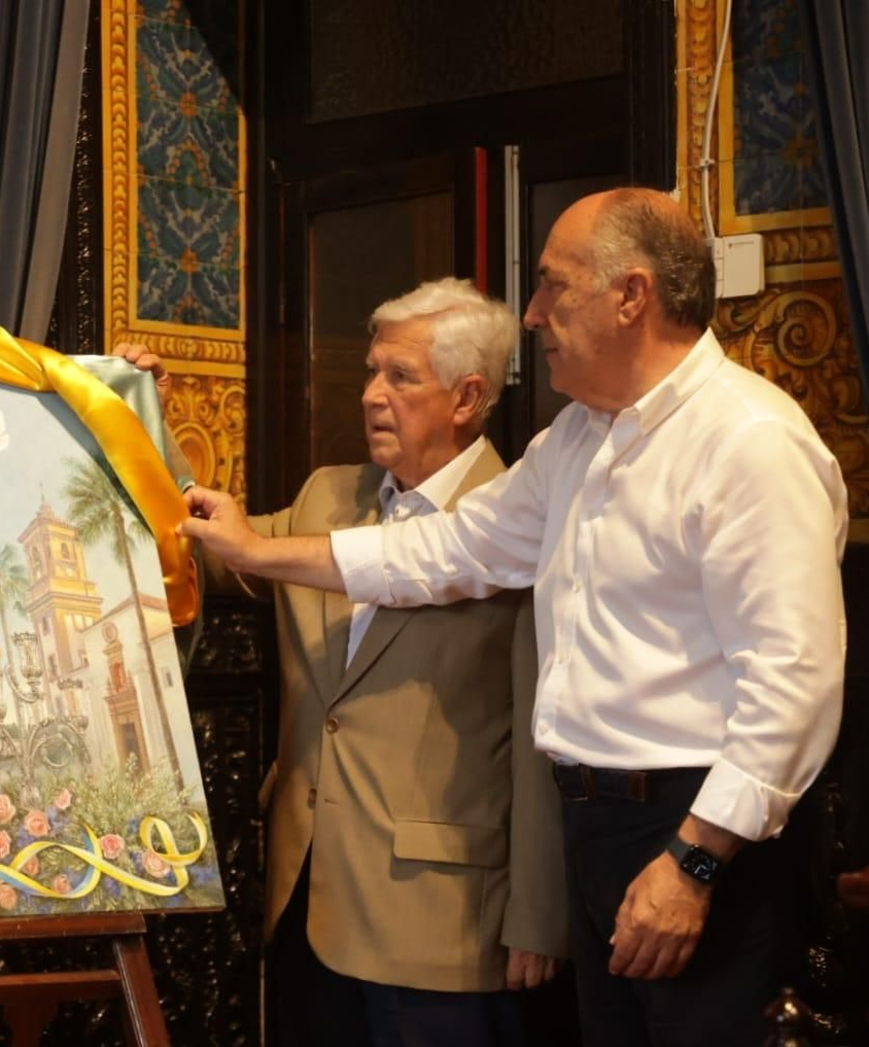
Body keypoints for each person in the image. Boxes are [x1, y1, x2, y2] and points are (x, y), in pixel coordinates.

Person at [182, 189, 849, 1046]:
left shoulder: (749, 440)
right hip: (598, 823)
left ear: (632, 296)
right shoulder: (576, 440)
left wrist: (692, 859)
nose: (532, 315)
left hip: (695, 826)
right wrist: (254, 551)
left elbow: (794, 681)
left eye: (551, 288)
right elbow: (444, 553)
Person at [126, 279, 567, 1046]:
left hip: (443, 920)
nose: (370, 395)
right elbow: (208, 547)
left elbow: (540, 739)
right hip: (304, 897)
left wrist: (538, 914)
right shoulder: (328, 498)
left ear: (468, 397)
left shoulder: (519, 521)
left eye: (399, 377)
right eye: (370, 371)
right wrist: (145, 418)